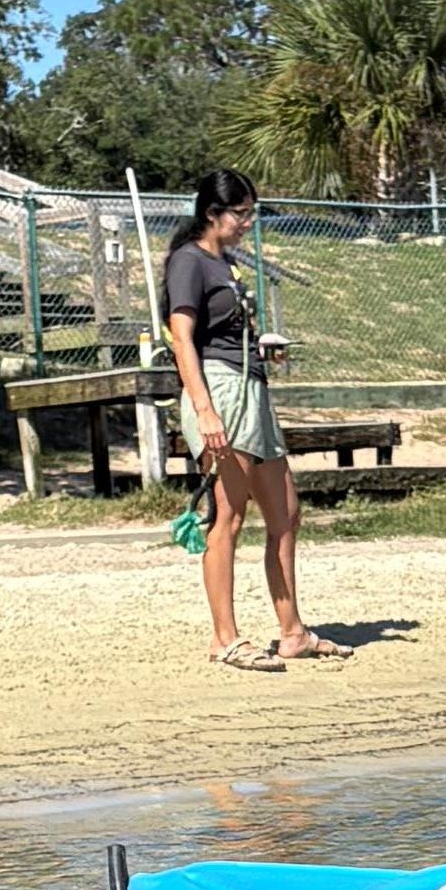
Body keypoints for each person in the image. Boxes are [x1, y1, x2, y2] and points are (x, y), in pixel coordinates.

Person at [160, 170, 324, 671]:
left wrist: (261, 348)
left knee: (286, 514)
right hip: (221, 391)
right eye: (241, 213)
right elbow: (182, 339)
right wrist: (205, 409)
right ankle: (225, 638)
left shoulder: (223, 262)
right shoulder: (188, 261)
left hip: (251, 388)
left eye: (252, 212)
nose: (249, 222)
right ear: (213, 213)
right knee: (227, 518)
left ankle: (292, 633)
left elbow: (224, 332)